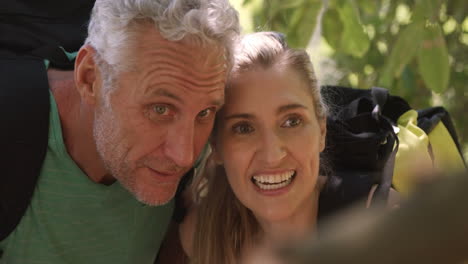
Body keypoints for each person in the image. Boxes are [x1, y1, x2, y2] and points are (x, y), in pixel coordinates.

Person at [0, 0, 239, 263]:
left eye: (204, 113)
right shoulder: (10, 127)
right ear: (90, 78)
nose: (183, 156)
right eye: (160, 109)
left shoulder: (199, 157)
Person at [167, 31, 329, 264]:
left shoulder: (383, 219)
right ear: (217, 146)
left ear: (322, 131)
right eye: (244, 128)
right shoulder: (202, 236)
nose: (272, 156)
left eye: (291, 121)